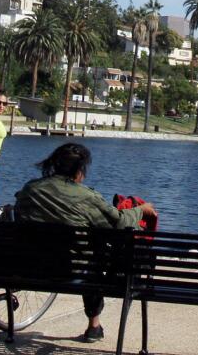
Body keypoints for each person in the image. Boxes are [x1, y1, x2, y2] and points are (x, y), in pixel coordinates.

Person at [14, 143, 157, 344]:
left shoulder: (30, 189)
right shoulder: (86, 196)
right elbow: (120, 223)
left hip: (27, 266)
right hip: (73, 269)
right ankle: (94, 326)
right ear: (79, 170)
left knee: (85, 251)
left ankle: (94, 326)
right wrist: (141, 210)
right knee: (92, 254)